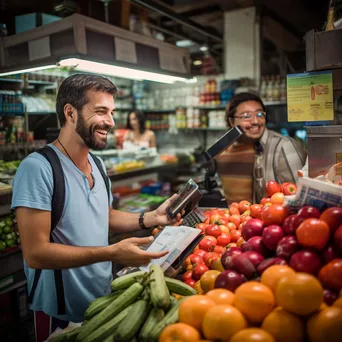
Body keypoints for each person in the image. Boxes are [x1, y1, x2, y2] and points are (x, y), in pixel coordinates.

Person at [11, 74, 181, 341]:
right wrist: (112, 253)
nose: (111, 122)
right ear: (70, 113)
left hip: (104, 299)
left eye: (112, 112)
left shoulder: (98, 166)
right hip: (60, 311)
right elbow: (36, 253)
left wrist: (151, 217)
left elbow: (104, 214)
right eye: (101, 111)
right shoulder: (38, 168)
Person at [216, 92, 307, 204]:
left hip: (270, 219)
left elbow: (300, 197)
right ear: (231, 121)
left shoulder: (283, 146)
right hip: (234, 219)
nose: (255, 121)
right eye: (247, 116)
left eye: (260, 114)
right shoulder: (223, 151)